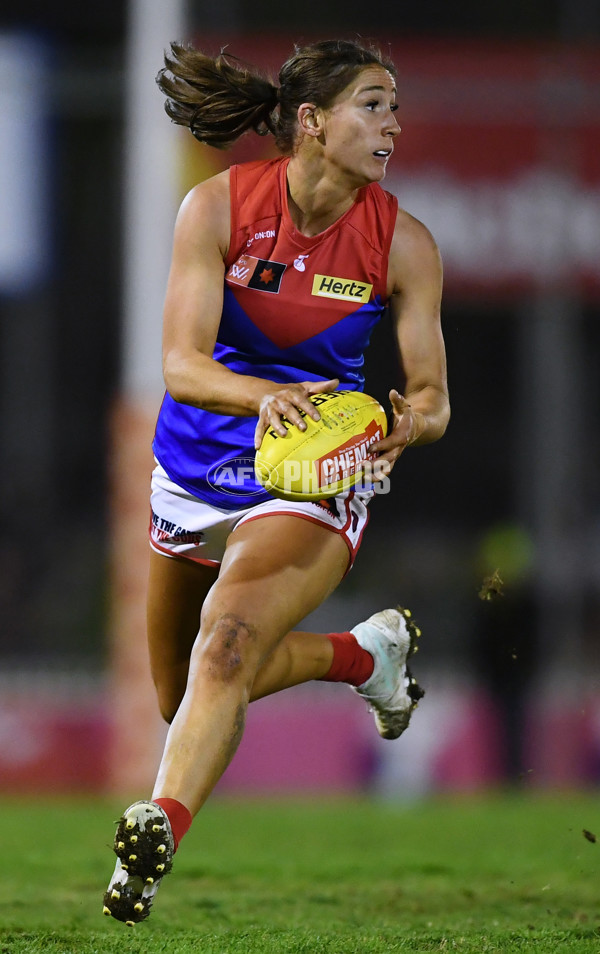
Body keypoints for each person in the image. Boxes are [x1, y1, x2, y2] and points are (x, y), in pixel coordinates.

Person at [102, 37, 450, 925]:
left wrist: (410, 421)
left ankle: (154, 836)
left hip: (314, 470)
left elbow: (433, 397)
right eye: (373, 105)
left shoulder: (402, 241)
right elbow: (180, 365)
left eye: (396, 107)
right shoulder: (217, 206)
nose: (392, 125)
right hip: (197, 464)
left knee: (226, 646)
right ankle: (365, 656)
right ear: (311, 121)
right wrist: (267, 398)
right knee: (187, 696)